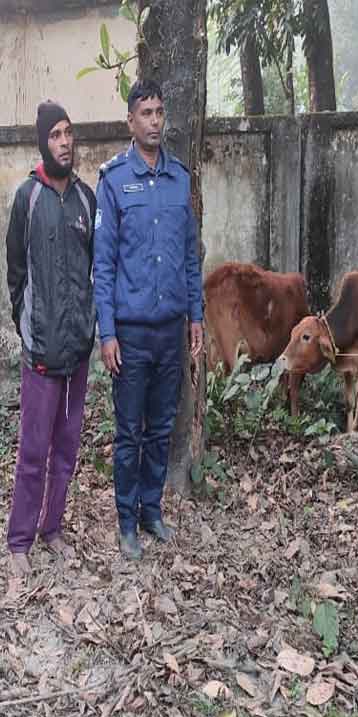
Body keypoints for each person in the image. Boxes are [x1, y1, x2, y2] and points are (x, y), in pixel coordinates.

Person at [94, 80, 205, 560]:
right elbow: (103, 265)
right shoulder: (114, 181)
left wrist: (196, 317)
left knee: (161, 427)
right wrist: (107, 332)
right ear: (130, 122)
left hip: (170, 330)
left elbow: (189, 257)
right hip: (132, 333)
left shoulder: (180, 179)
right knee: (129, 432)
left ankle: (151, 509)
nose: (155, 121)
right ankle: (125, 522)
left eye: (160, 112)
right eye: (146, 113)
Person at [5, 101, 97, 578]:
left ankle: (52, 528)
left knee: (66, 449)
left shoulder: (86, 199)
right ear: (44, 142)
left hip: (77, 351)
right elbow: (15, 271)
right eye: (56, 135)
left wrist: (88, 325)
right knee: (34, 450)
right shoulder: (28, 198)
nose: (65, 142)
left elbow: (94, 270)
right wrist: (28, 322)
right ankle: (18, 540)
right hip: (41, 352)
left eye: (69, 133)